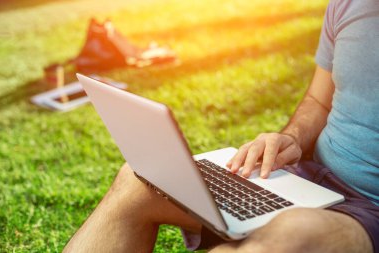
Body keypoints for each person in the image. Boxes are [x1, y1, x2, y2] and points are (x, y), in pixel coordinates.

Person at [63, 0, 379, 252]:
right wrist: (291, 137)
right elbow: (319, 100)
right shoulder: (348, 4)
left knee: (285, 237)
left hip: (370, 207)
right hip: (306, 179)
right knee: (139, 179)